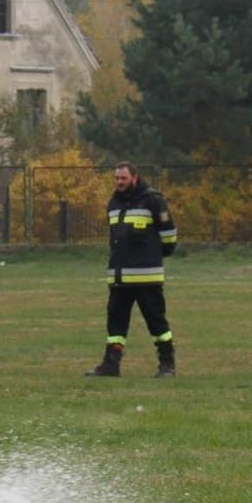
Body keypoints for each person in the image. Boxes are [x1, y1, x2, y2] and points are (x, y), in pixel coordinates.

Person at [85, 160, 178, 378]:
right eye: (116, 178)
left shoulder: (153, 201)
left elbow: (169, 237)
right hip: (119, 278)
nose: (119, 182)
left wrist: (151, 257)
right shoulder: (114, 203)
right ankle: (111, 365)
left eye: (123, 178)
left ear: (135, 178)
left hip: (147, 278)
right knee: (115, 325)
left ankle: (167, 364)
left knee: (157, 323)